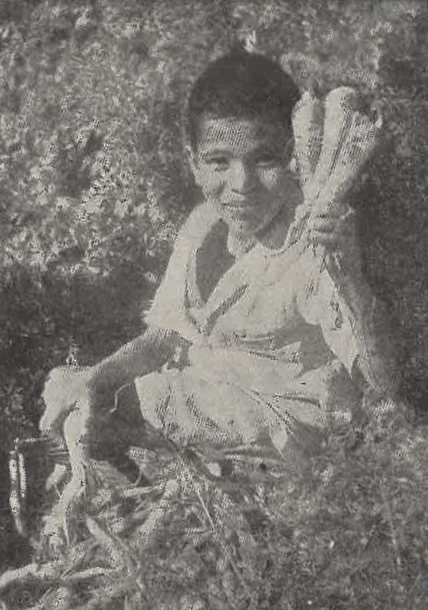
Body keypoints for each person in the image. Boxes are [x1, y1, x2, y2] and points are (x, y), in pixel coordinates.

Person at [40, 49, 394, 482]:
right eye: (219, 162)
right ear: (193, 161)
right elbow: (165, 337)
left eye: (264, 160)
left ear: (295, 155)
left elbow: (382, 383)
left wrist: (349, 276)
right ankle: (121, 493)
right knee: (69, 383)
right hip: (209, 400)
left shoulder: (314, 237)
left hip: (286, 422)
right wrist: (97, 377)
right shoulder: (202, 225)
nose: (241, 185)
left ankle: (123, 483)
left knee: (137, 402)